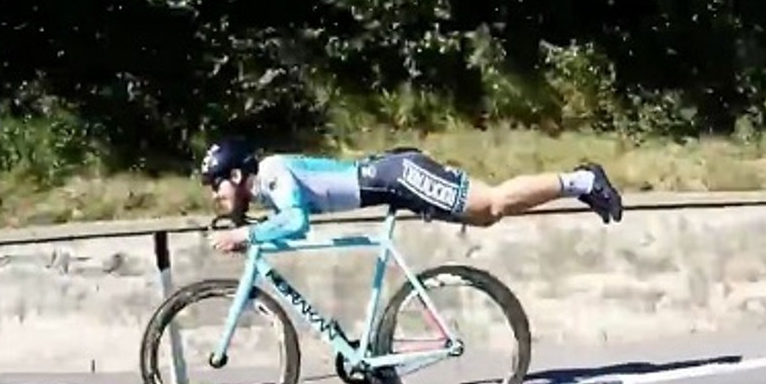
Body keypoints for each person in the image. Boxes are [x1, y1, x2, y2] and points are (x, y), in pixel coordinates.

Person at [199, 137, 624, 253]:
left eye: (216, 184)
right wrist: (250, 232)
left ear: (237, 175)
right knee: (487, 217)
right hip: (393, 184)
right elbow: (289, 229)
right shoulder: (268, 191)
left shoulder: (272, 173)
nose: (215, 196)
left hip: (400, 176)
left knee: (490, 203)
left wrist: (245, 236)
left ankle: (584, 182)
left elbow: (296, 222)